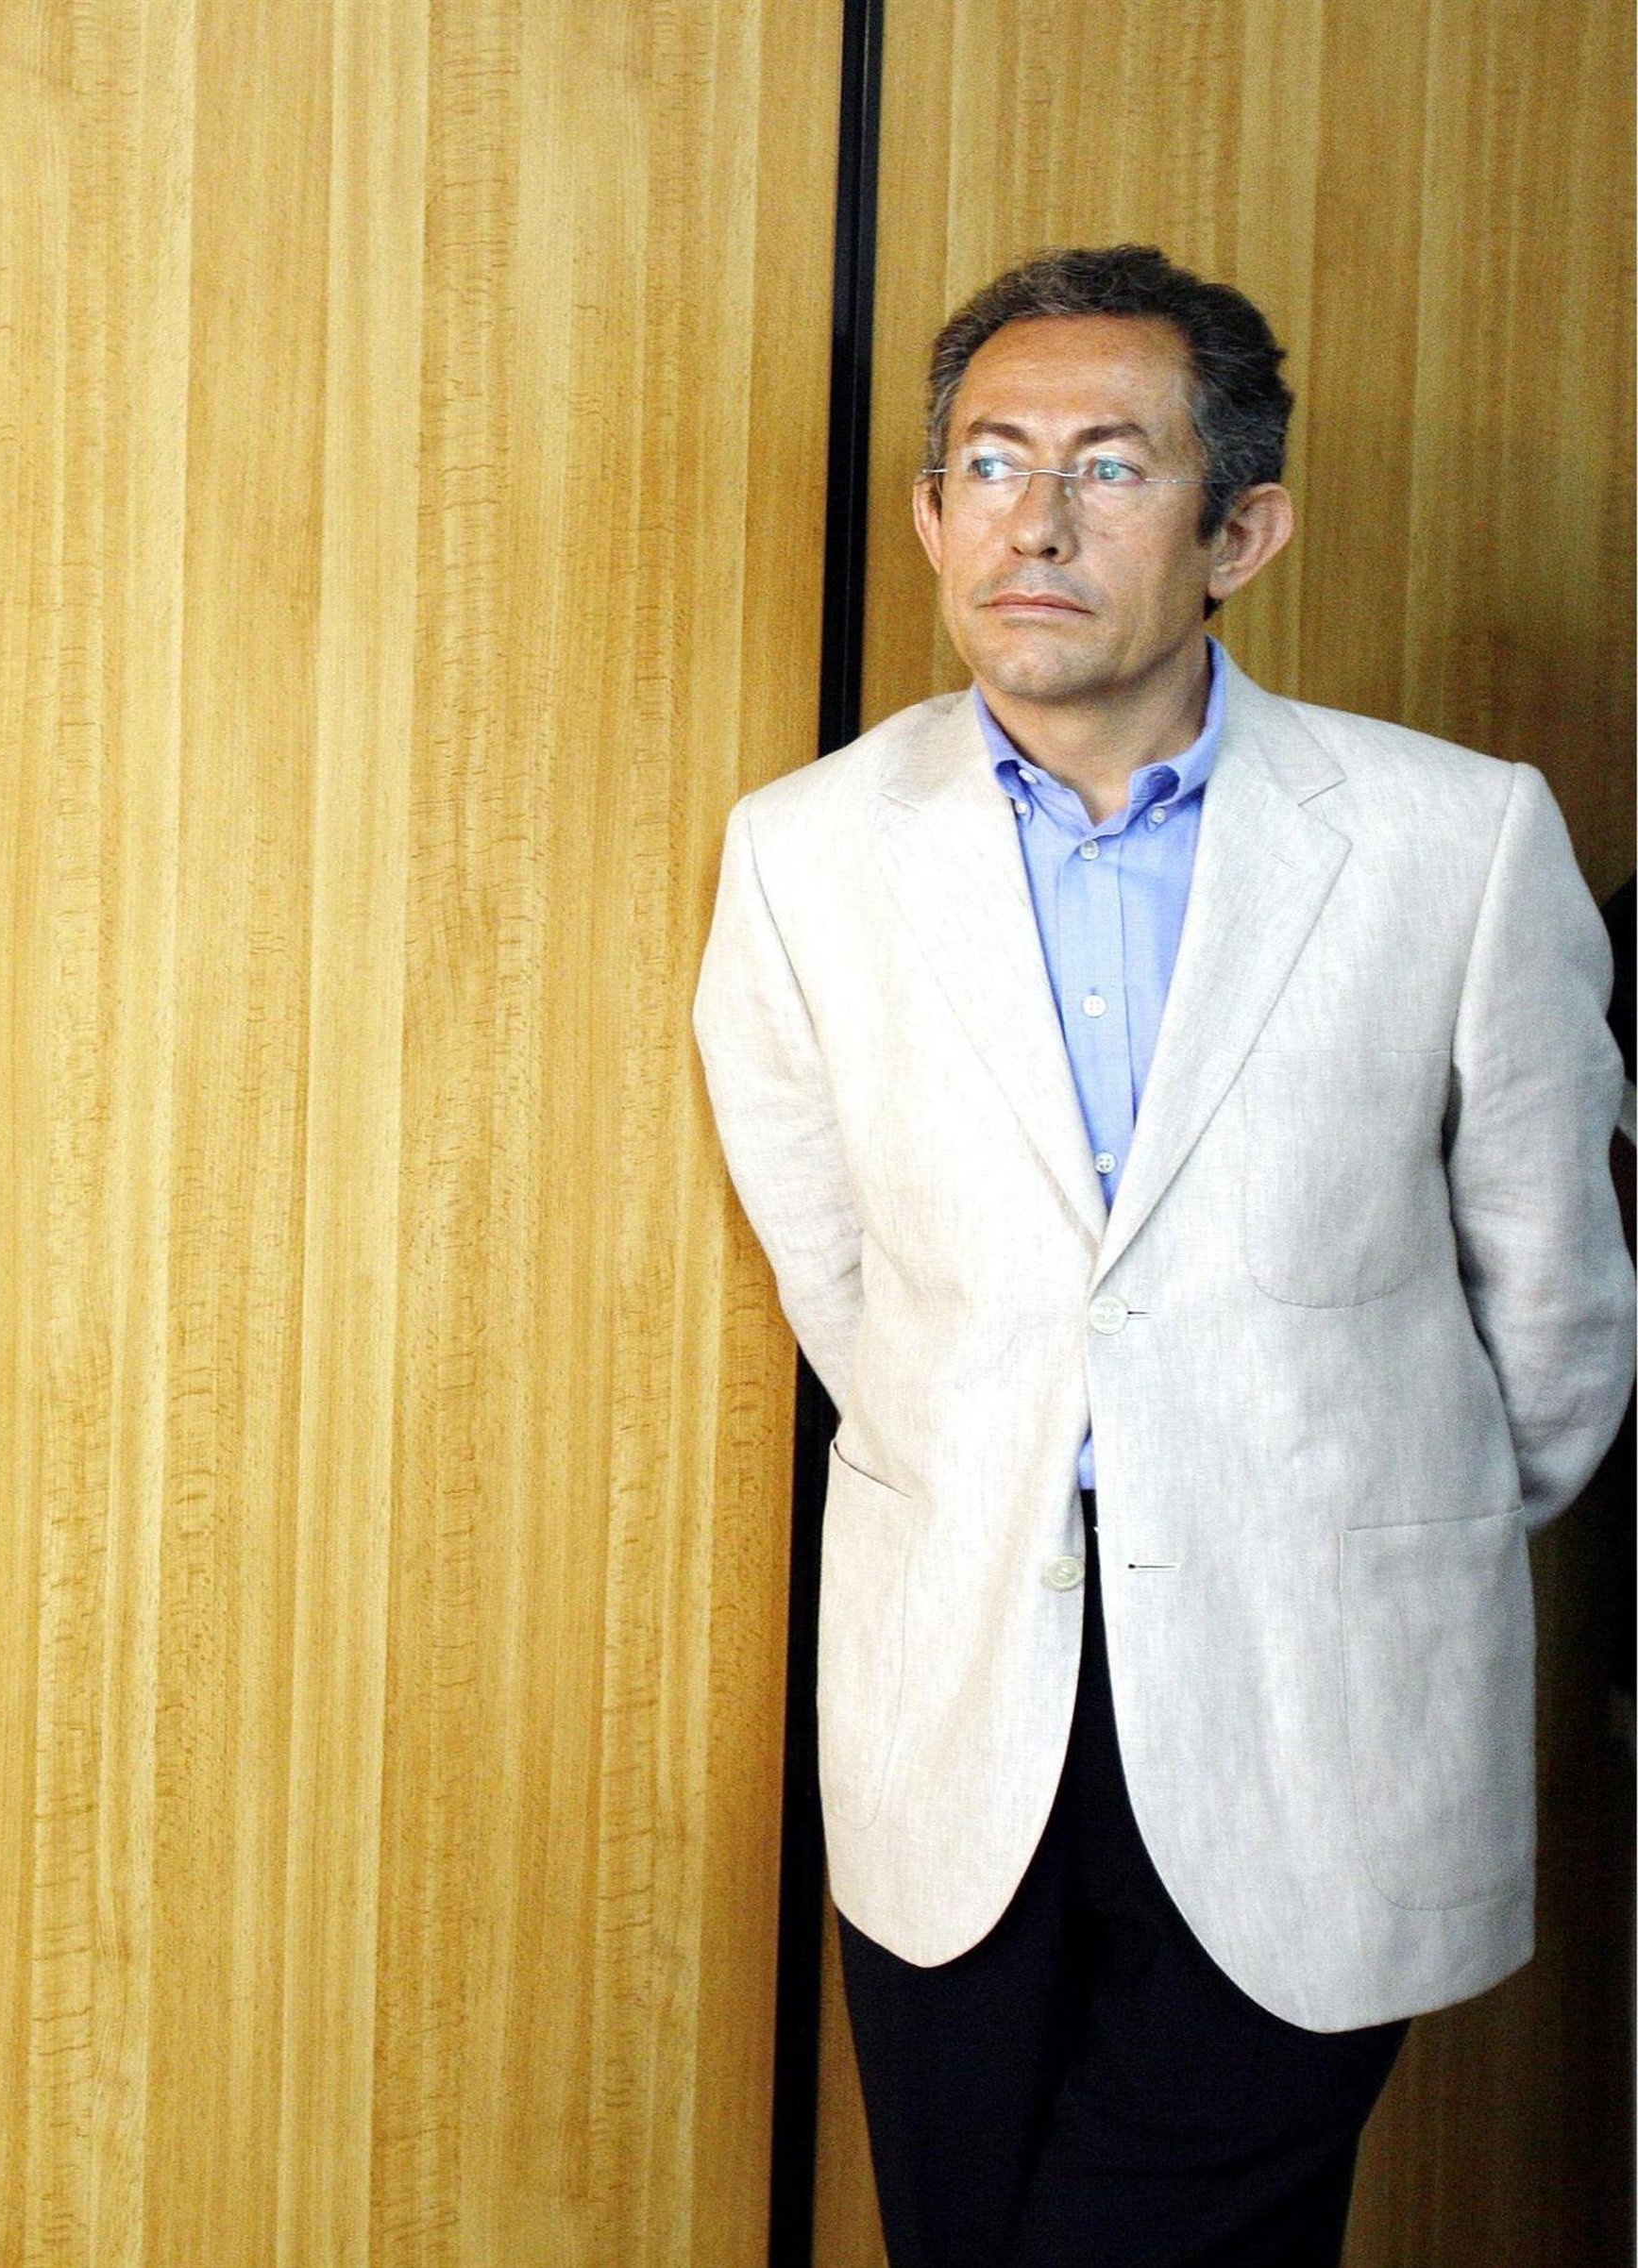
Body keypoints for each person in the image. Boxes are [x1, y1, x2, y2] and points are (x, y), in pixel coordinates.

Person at [693, 245, 1635, 2268]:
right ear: (932, 513)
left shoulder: (1457, 838)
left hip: (1323, 1697)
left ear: (1240, 534)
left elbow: (1558, 1303)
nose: (1034, 522)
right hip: (964, 1695)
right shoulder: (805, 852)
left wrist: (1368, 1507)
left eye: (1110, 467)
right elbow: (840, 1273)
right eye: (991, 463)